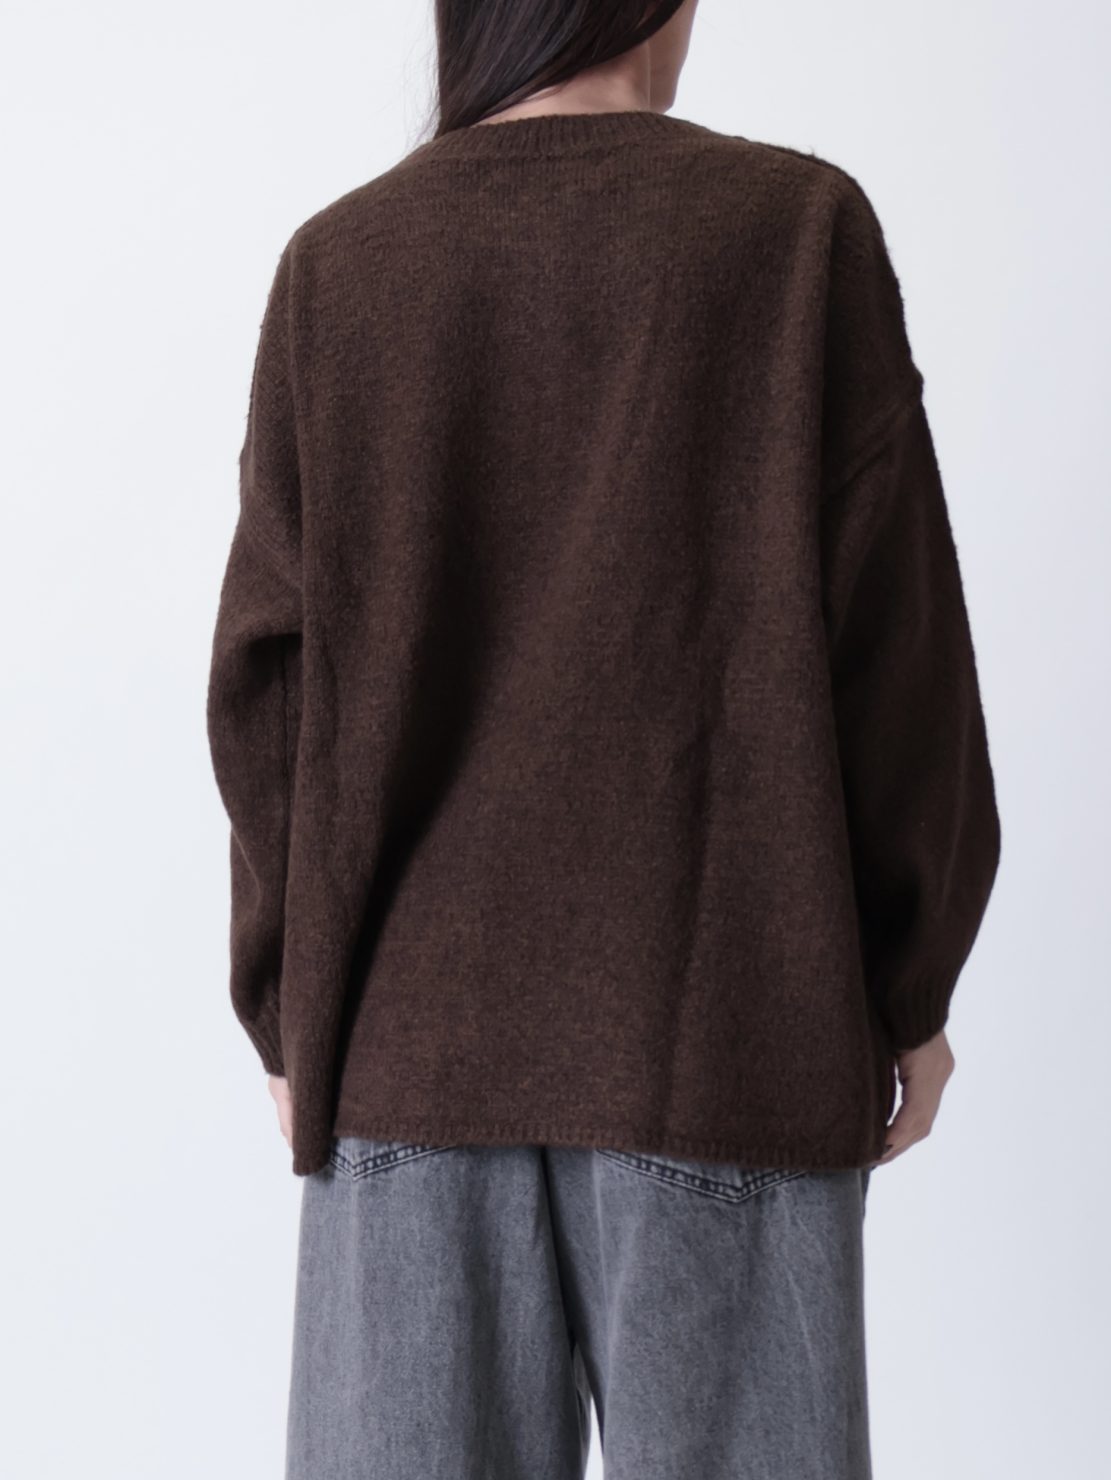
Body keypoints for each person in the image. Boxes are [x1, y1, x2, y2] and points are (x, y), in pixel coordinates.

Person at [205, 1, 1001, 1475]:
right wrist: (908, 986)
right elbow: (898, 658)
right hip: (730, 1034)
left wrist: (294, 1009)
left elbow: (268, 693)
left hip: (408, 1054)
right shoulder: (794, 235)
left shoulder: (342, 268)